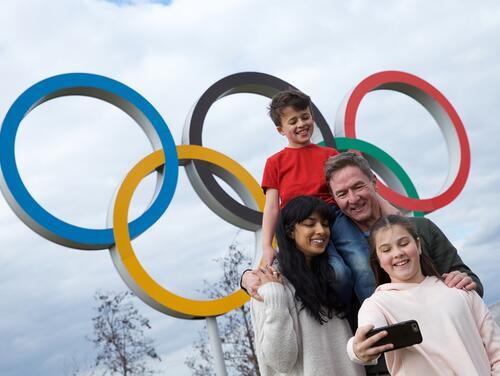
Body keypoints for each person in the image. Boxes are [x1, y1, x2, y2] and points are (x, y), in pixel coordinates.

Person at [242, 152, 483, 300]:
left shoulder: (421, 228)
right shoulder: (328, 245)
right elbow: (288, 265)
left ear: (374, 183)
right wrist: (246, 279)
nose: (353, 199)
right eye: (342, 193)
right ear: (333, 198)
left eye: (358, 187)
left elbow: (471, 281)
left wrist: (465, 282)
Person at [260, 90, 393, 304]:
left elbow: (347, 190)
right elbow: (272, 208)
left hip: (333, 216)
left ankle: (379, 314)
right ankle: (348, 315)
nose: (301, 124)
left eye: (305, 117)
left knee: (363, 264)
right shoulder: (275, 162)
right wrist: (267, 245)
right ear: (280, 129)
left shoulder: (329, 155)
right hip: (304, 224)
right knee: (339, 273)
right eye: (293, 121)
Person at [347, 215, 500, 375]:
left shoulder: (458, 287)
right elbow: (367, 335)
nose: (398, 253)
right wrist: (356, 350)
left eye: (404, 243)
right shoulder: (377, 305)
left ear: (418, 245)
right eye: (386, 250)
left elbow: (496, 350)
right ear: (378, 260)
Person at [251, 195, 365, 376]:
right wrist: (274, 297)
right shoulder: (268, 283)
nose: (321, 231)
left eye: (325, 224)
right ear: (290, 231)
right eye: (310, 224)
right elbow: (280, 361)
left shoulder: (332, 277)